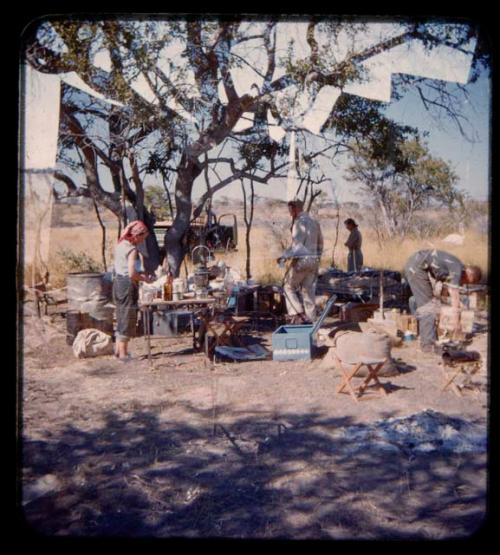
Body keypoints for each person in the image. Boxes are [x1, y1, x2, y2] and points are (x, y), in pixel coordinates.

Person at [404, 249, 481, 354]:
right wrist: (456, 321)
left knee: (431, 304)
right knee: (428, 307)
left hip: (417, 266)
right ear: (469, 274)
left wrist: (451, 304)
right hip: (416, 268)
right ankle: (428, 346)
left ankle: (430, 341)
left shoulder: (454, 268)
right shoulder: (458, 269)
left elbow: (446, 291)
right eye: (466, 281)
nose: (463, 283)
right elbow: (454, 293)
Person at [113, 220, 155, 360]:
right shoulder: (132, 249)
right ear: (137, 235)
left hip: (118, 282)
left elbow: (127, 229)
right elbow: (132, 273)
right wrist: (145, 279)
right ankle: (124, 354)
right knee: (127, 317)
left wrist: (133, 224)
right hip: (127, 284)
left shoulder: (120, 244)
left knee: (120, 315)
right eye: (143, 237)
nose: (143, 240)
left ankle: (118, 350)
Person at [277, 199, 324, 324]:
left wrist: (284, 257)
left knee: (288, 287)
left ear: (295, 208)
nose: (289, 212)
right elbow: (321, 244)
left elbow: (297, 246)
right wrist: (317, 259)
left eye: (290, 210)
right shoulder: (314, 222)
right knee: (309, 293)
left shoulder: (299, 223)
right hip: (314, 261)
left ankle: (298, 315)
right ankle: (312, 322)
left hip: (302, 261)